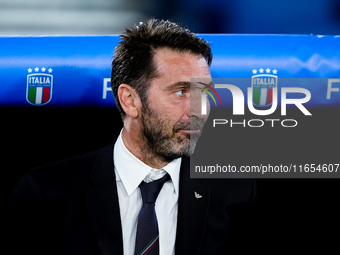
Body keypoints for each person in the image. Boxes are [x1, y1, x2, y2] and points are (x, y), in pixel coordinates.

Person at [4, 19, 257, 255]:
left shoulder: (237, 192)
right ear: (130, 100)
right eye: (181, 92)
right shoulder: (48, 193)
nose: (200, 109)